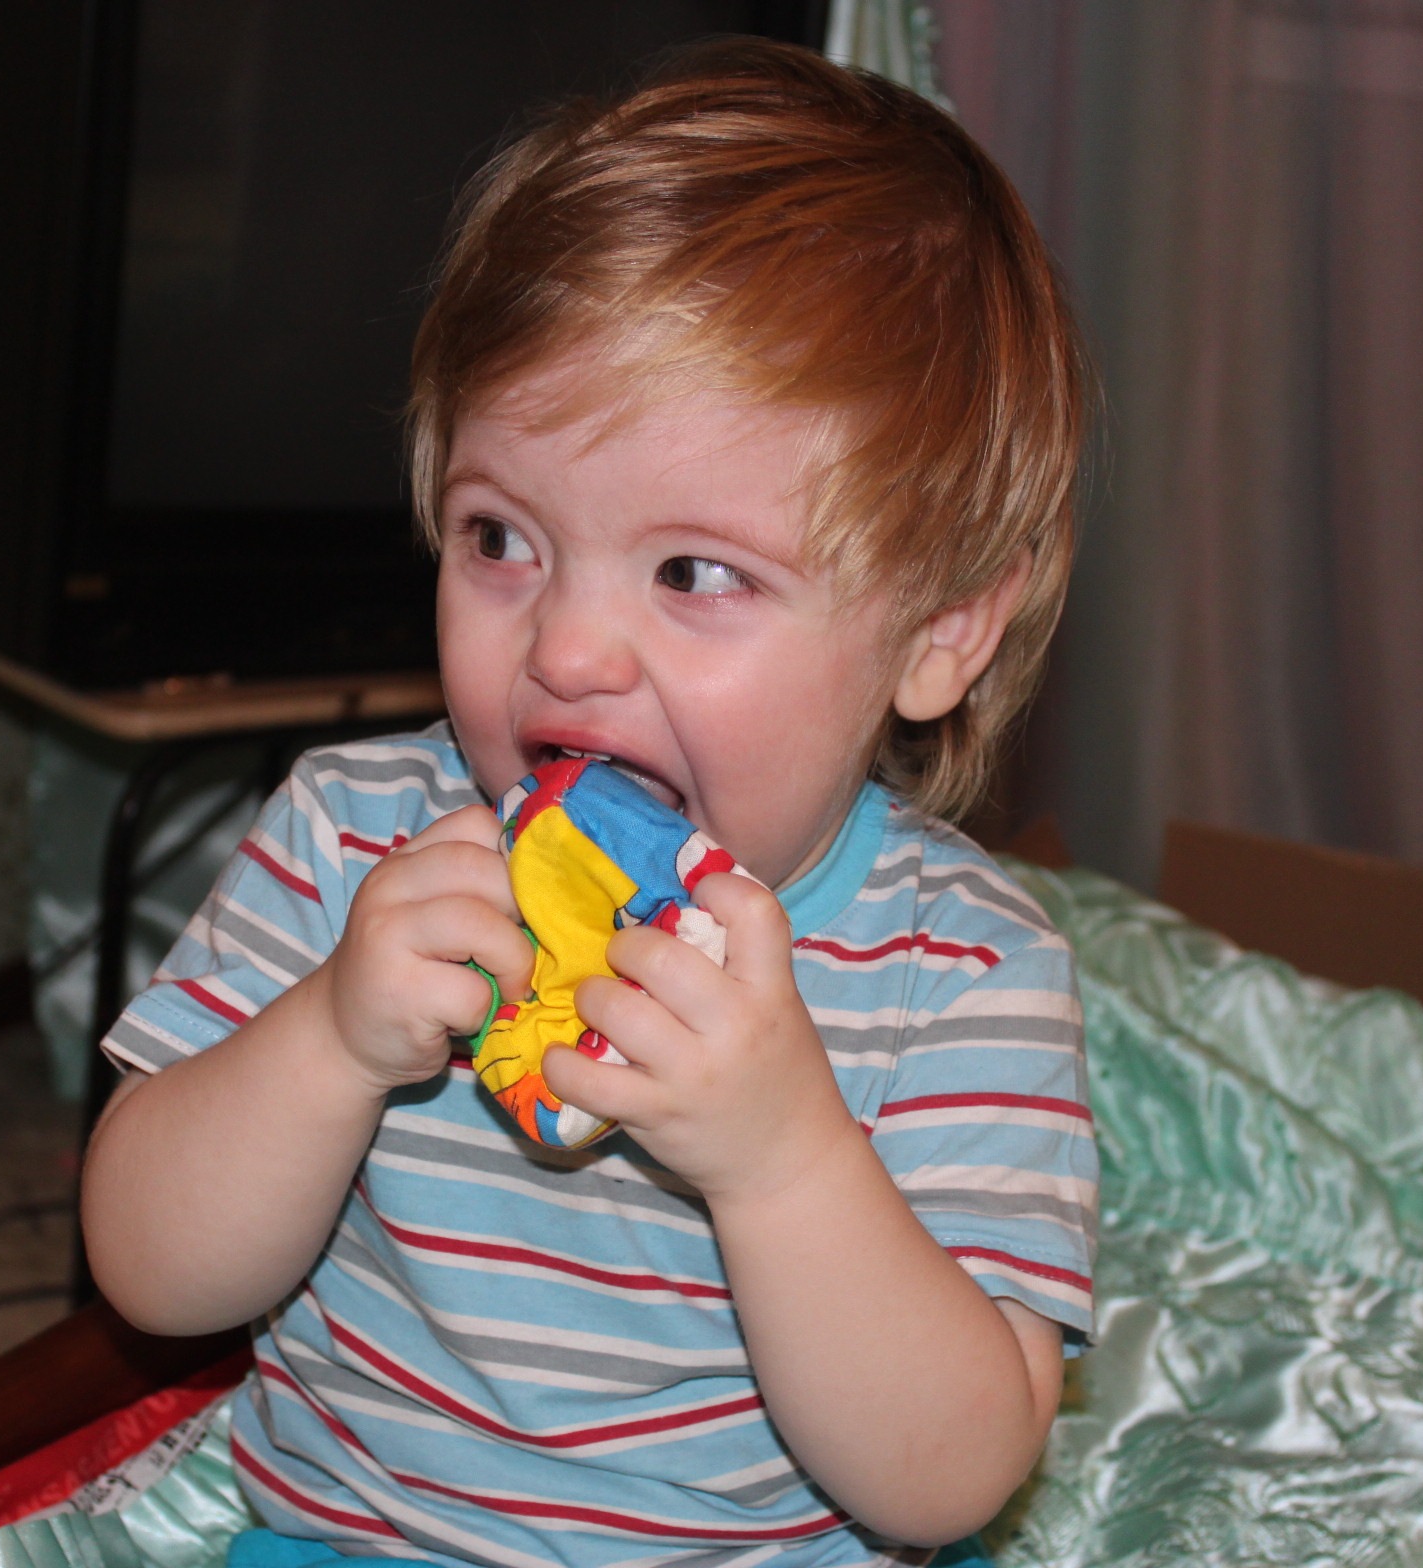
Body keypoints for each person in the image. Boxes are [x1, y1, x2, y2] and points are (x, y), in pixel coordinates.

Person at [81, 37, 1094, 1568]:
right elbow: (152, 1277)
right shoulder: (354, 840)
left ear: (941, 634)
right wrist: (331, 1040)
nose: (563, 648)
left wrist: (781, 1159)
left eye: (694, 572)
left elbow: (949, 1480)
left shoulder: (962, 976)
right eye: (502, 539)